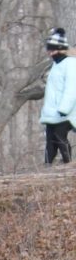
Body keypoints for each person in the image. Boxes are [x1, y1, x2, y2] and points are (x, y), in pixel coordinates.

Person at [39, 26, 75, 165]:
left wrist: (63, 109)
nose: (50, 53)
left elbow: (71, 89)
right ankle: (47, 166)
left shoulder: (71, 64)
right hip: (52, 113)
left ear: (60, 49)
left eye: (52, 49)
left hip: (65, 111)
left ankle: (69, 165)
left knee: (60, 137)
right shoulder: (56, 65)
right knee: (50, 141)